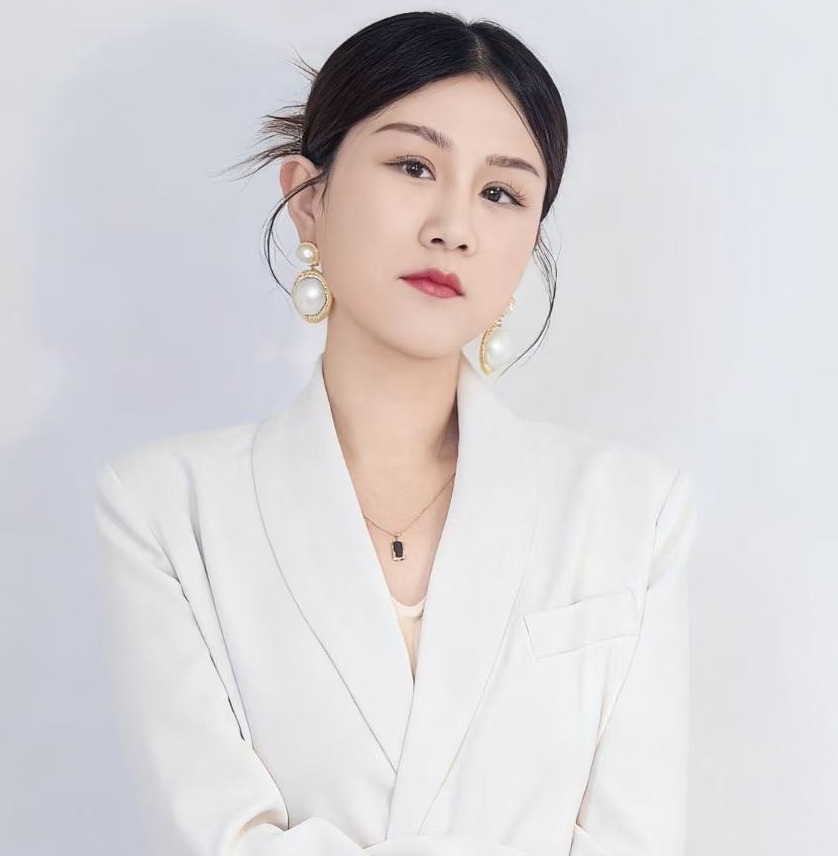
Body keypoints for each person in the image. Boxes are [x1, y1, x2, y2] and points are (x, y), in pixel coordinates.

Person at [93, 11, 698, 856]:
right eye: (414, 166)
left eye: (501, 193)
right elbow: (220, 838)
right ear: (309, 198)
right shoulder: (165, 509)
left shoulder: (633, 511)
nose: (454, 226)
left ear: (529, 241)